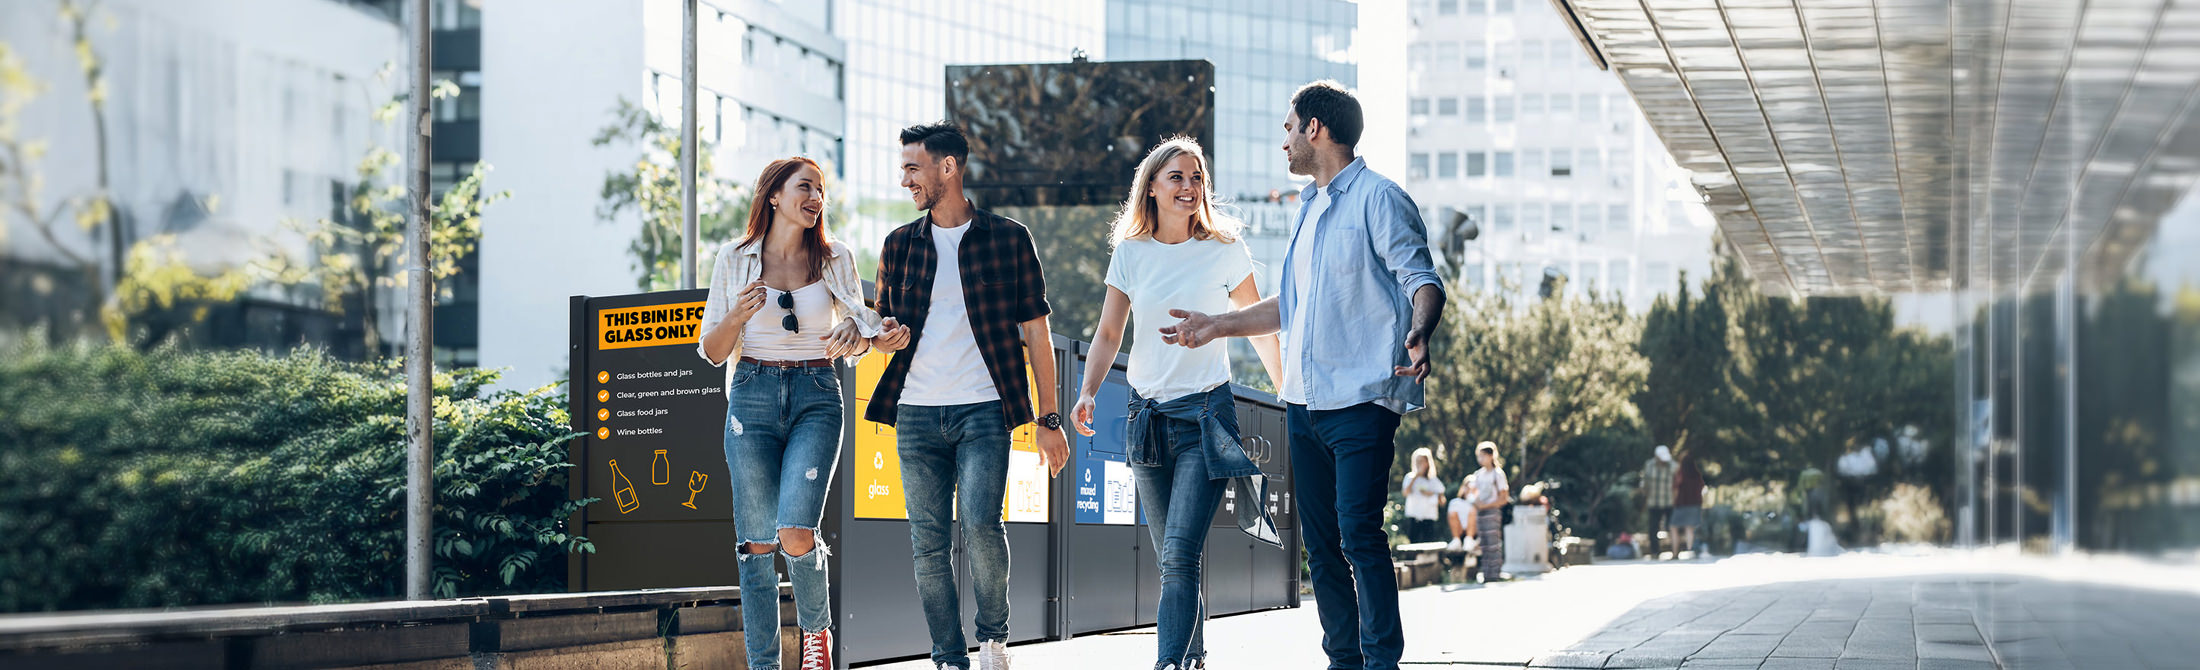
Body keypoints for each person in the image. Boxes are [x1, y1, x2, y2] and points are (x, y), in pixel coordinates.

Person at [1157, 80, 1446, 670]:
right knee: (1320, 544)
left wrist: (1420, 330)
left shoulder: (1380, 198)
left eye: (1289, 128)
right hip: (1302, 404)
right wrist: (1216, 325)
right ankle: (1344, 660)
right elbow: (1289, 305)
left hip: (1362, 398)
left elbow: (1421, 279)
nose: (1284, 141)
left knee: (1359, 534)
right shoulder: (1308, 209)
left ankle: (1381, 662)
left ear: (1315, 128)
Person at [1070, 137, 1282, 670]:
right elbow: (1108, 333)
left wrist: (1286, 389)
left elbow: (1258, 325)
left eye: (1196, 178)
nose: (1189, 187)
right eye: (1177, 177)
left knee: (1180, 554)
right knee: (1173, 562)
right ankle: (1193, 658)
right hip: (1146, 419)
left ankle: (1168, 663)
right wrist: (1087, 391)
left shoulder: (1225, 248)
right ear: (1152, 188)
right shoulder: (1131, 253)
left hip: (1207, 418)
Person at [865, 121, 1070, 670]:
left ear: (948, 167)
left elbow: (1038, 335)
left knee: (981, 526)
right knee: (928, 544)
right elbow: (882, 332)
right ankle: (948, 656)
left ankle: (993, 641)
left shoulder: (1009, 238)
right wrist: (884, 338)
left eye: (913, 167)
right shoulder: (897, 246)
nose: (905, 179)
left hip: (984, 410)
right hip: (915, 413)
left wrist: (1049, 419)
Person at [696, 157, 891, 670]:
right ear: (774, 195)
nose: (816, 199)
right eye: (806, 187)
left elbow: (863, 334)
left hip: (817, 394)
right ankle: (763, 664)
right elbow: (712, 350)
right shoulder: (733, 257)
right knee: (756, 543)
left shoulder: (835, 256)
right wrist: (737, 315)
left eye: (821, 191)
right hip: (751, 396)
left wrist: (857, 332)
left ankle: (816, 637)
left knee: (796, 531)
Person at [1466, 442, 1510, 583]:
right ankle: (1486, 574)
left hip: (1492, 511)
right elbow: (1473, 492)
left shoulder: (1498, 474)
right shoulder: (1478, 474)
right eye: (1479, 456)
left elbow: (1504, 497)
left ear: (1491, 456)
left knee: (1493, 544)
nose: (1481, 459)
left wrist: (1487, 505)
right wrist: (1476, 502)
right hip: (1480, 512)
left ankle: (1495, 574)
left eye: (1483, 456)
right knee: (1483, 544)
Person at [1400, 447, 1446, 544]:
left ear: (1427, 463)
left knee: (1428, 543)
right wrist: (1416, 476)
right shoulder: (1409, 477)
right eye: (1417, 461)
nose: (1419, 464)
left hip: (1429, 516)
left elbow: (1442, 501)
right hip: (1414, 515)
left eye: (1421, 461)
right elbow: (1405, 493)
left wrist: (1432, 494)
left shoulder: (1433, 480)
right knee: (1413, 543)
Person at [1642, 445, 1677, 559]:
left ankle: (1675, 551)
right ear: (1656, 457)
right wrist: (1645, 495)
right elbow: (1645, 482)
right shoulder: (1649, 465)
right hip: (1654, 501)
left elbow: (1678, 482)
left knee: (1672, 527)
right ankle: (1655, 552)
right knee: (1653, 528)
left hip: (1669, 501)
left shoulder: (1673, 466)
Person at [1671, 455, 1705, 558]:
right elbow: (1701, 488)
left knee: (1673, 527)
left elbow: (1676, 489)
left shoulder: (1680, 474)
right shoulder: (1697, 475)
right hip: (1695, 504)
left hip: (1681, 504)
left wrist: (1673, 502)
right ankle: (1691, 550)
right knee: (1690, 528)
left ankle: (1675, 552)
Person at [1445, 478, 1478, 552]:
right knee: (1453, 509)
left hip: (1475, 531)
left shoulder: (1478, 503)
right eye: (1467, 487)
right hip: (1459, 530)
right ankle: (1456, 540)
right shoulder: (1455, 502)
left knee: (1474, 510)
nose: (1470, 489)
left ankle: (1469, 539)